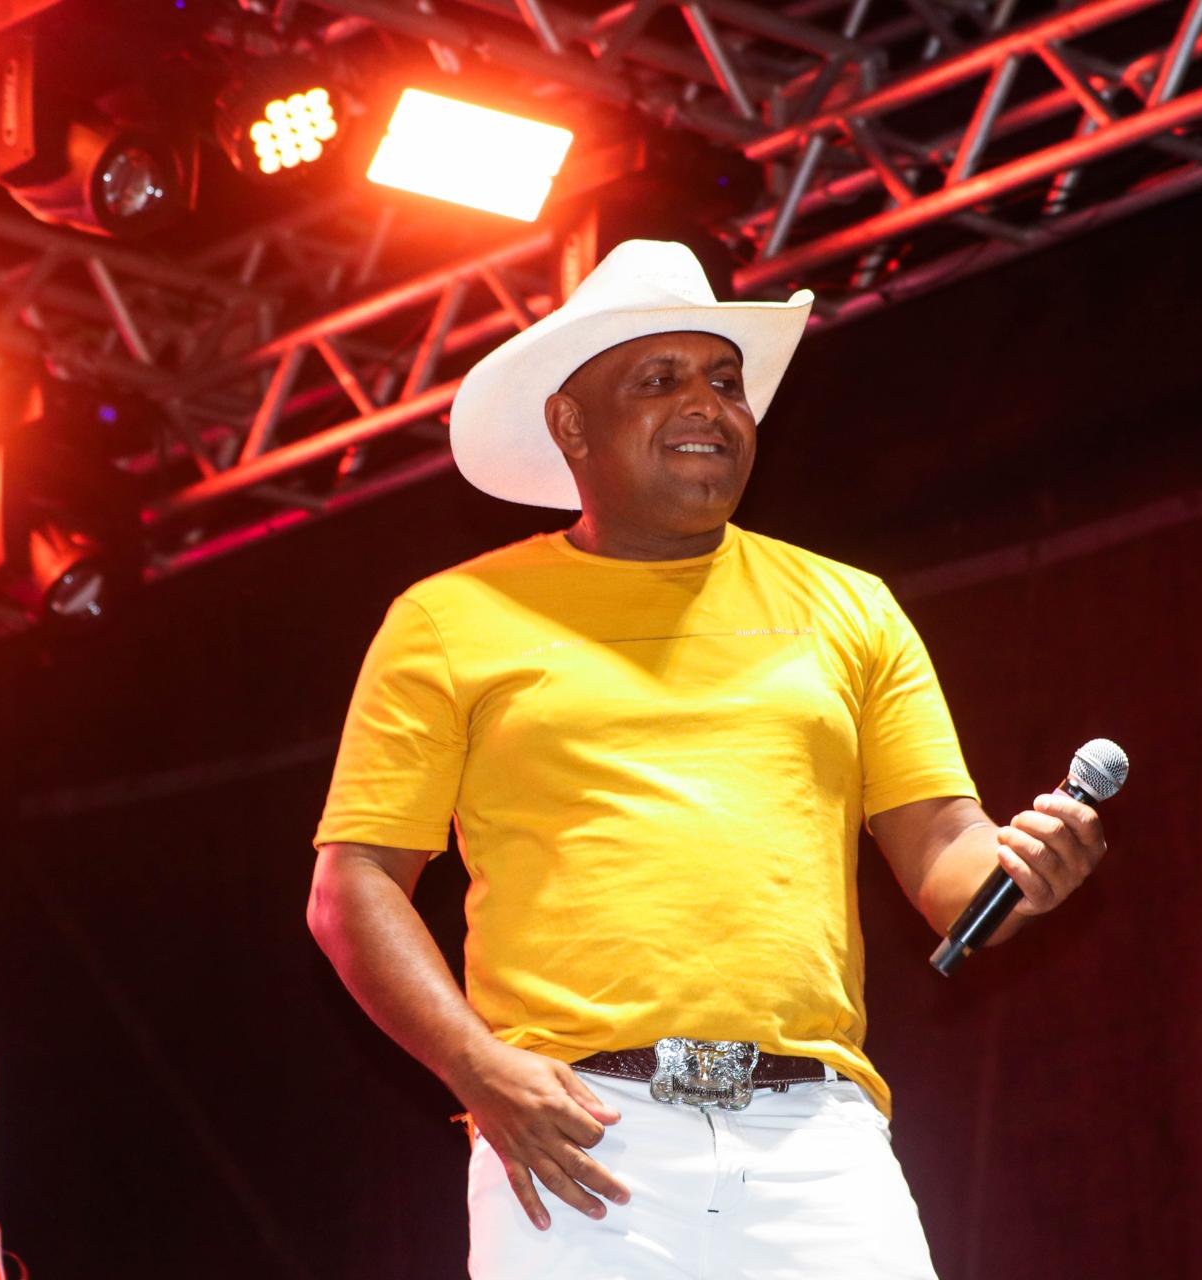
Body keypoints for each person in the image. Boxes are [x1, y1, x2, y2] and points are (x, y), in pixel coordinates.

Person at [307, 240, 1108, 1277]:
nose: (708, 405)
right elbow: (353, 886)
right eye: (660, 379)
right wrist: (479, 1069)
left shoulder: (851, 605)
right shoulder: (452, 618)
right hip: (579, 1133)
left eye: (726, 382)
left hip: (815, 1140)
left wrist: (1020, 872)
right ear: (570, 424)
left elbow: (946, 857)